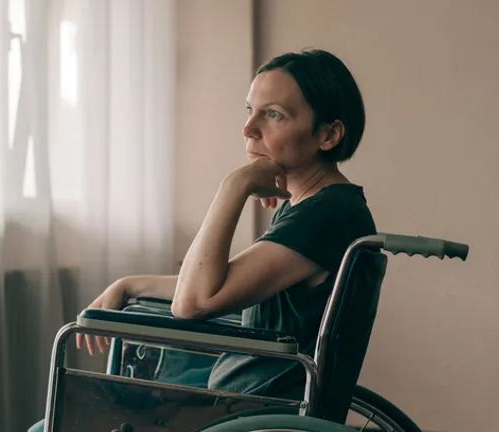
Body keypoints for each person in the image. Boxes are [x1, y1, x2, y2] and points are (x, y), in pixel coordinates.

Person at [28, 48, 376, 432]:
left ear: (328, 135)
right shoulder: (324, 207)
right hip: (242, 405)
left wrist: (235, 184)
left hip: (258, 414)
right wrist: (130, 285)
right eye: (250, 111)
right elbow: (218, 285)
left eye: (274, 114)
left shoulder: (325, 215)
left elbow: (195, 302)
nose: (249, 129)